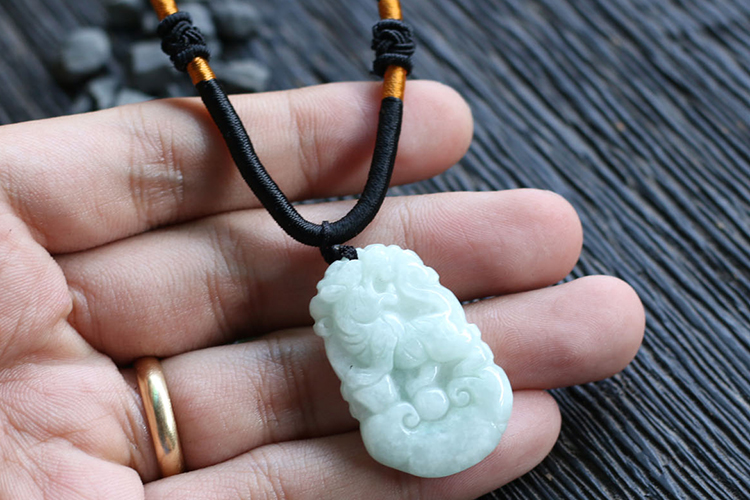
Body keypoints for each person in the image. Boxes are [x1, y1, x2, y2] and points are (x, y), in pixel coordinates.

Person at [0, 80, 644, 498]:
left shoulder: (408, 309)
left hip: (442, 390)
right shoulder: (363, 332)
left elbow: (430, 346)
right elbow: (376, 373)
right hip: (409, 410)